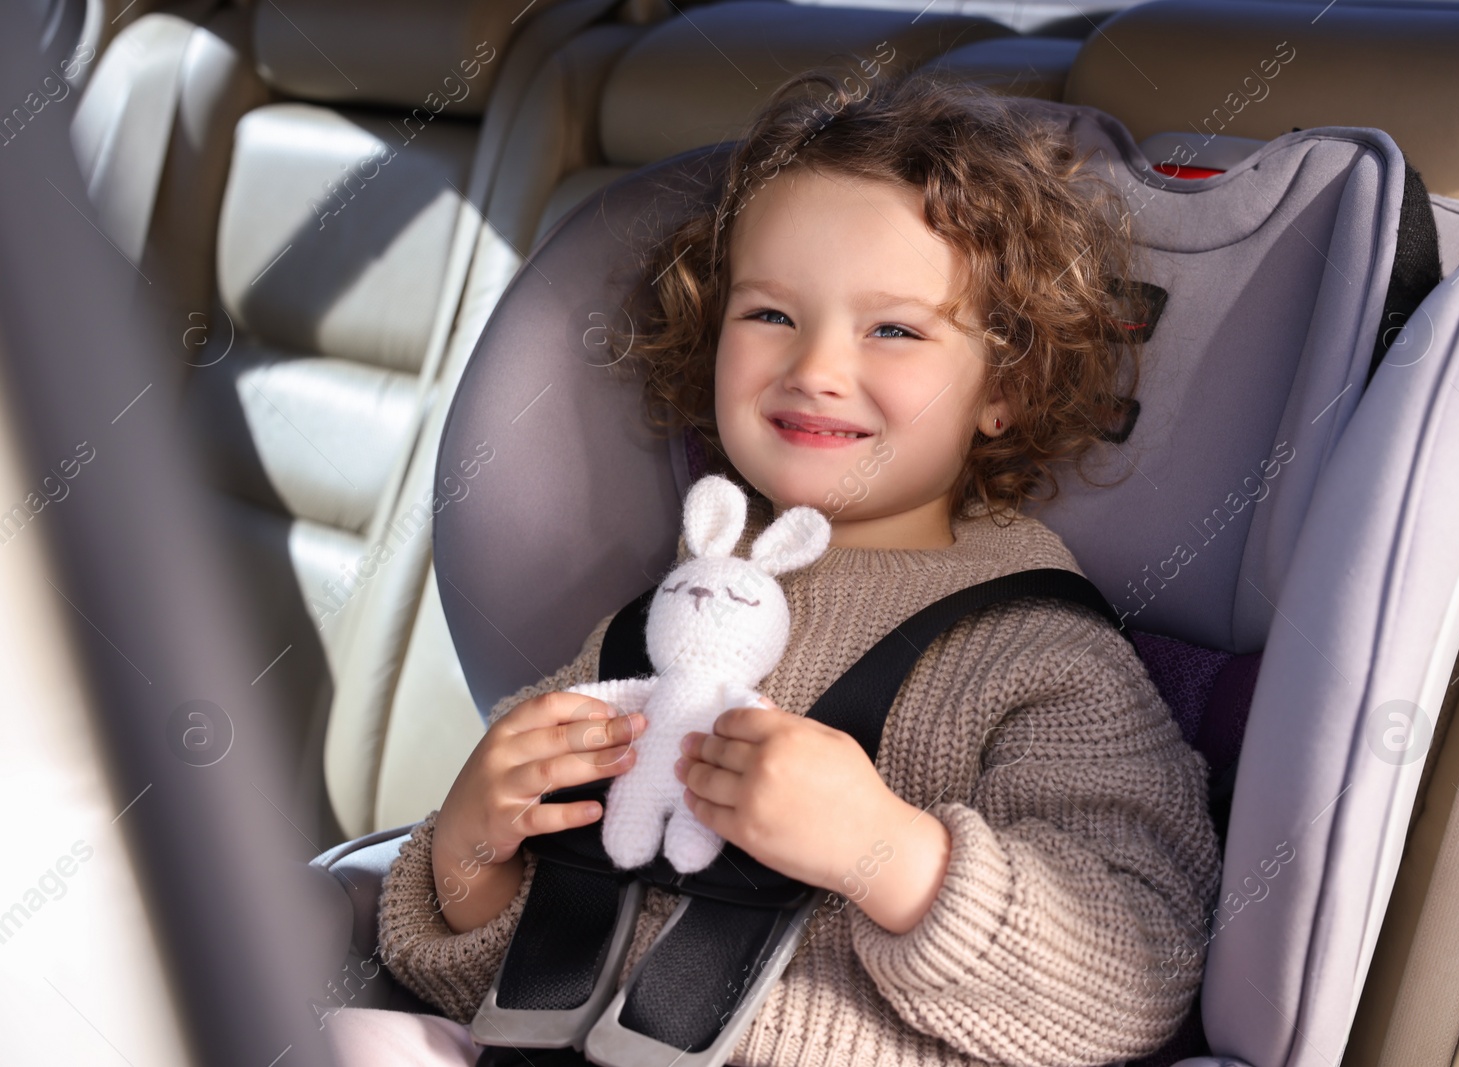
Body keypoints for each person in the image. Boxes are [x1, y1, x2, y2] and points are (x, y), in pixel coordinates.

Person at [326, 69, 1220, 1067]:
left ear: (1002, 386)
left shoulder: (1041, 656)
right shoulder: (667, 615)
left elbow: (1134, 972)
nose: (816, 368)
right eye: (769, 316)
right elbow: (490, 977)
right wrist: (469, 852)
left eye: (893, 328)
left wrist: (883, 851)